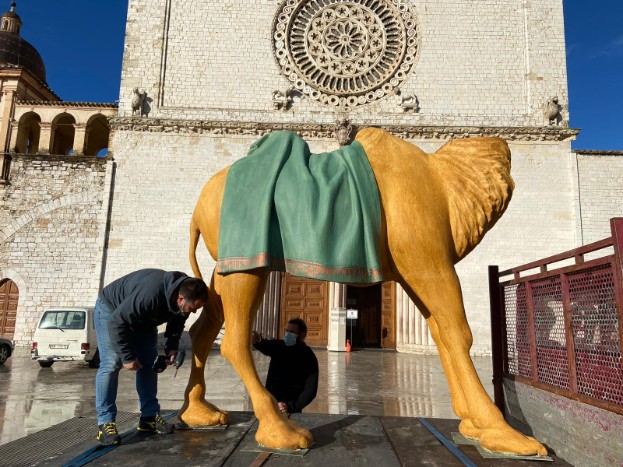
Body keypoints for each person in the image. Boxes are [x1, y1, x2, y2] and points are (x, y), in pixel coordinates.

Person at [94, 268, 208, 446]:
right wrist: (127, 357)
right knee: (111, 364)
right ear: (180, 299)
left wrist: (171, 348)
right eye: (193, 308)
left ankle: (149, 418)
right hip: (111, 310)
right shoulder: (150, 294)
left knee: (148, 363)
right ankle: (105, 423)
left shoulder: (183, 298)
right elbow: (117, 322)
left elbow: (177, 322)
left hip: (144, 319)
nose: (193, 313)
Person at [252, 318, 319, 414]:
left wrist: (292, 406)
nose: (288, 334)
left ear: (302, 335)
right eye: (287, 331)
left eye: (292, 332)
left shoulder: (308, 356)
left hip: (290, 409)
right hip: (271, 403)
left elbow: (310, 389)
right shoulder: (280, 346)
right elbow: (266, 345)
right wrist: (258, 339)